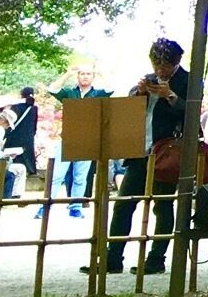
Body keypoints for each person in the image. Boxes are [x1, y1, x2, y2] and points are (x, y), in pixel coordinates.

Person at [105, 40, 190, 278]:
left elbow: (190, 111)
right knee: (124, 204)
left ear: (176, 62)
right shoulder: (148, 78)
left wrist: (170, 95)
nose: (160, 70)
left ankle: (156, 259)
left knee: (162, 205)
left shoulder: (188, 80)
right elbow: (128, 108)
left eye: (165, 65)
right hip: (140, 150)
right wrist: (139, 92)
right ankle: (113, 258)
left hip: (166, 151)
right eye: (156, 64)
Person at [52, 68, 108, 216]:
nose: (85, 76)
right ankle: (46, 205)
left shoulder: (98, 94)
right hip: (68, 137)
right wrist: (68, 74)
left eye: (88, 73)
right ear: (78, 76)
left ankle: (75, 206)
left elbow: (111, 89)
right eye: (82, 73)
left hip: (87, 139)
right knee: (57, 174)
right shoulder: (70, 93)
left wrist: (102, 74)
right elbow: (52, 89)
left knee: (80, 176)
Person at [0, 88, 38, 196]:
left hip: (14, 138)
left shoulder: (15, 107)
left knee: (11, 162)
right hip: (28, 140)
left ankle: (11, 190)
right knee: (24, 164)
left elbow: (9, 123)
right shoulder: (34, 108)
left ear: (21, 95)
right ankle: (17, 192)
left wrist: (4, 135)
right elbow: (34, 126)